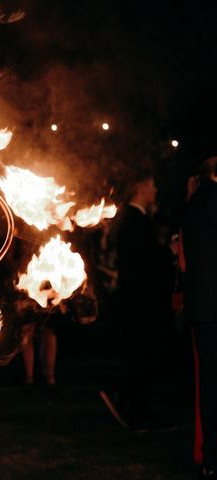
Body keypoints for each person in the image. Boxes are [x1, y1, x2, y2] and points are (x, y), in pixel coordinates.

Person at [99, 171, 175, 432]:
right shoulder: (134, 220)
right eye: (153, 186)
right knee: (144, 355)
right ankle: (127, 401)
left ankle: (137, 408)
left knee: (144, 356)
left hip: (138, 300)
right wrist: (170, 253)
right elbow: (144, 262)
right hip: (140, 302)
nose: (155, 191)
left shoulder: (135, 220)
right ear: (142, 187)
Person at [183, 157, 217, 479]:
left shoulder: (192, 204)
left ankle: (210, 459)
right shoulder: (213, 199)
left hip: (200, 309)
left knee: (208, 385)